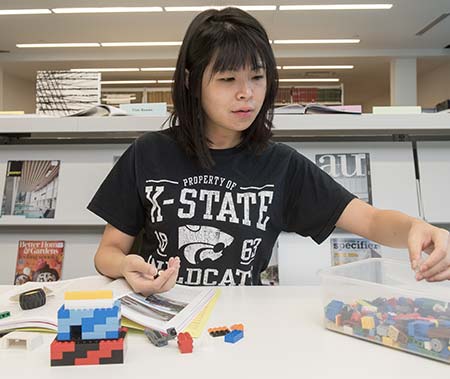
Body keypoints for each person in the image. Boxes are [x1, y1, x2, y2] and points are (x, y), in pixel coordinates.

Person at [87, 7, 450, 295]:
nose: (247, 93)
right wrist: (124, 267)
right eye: (228, 79)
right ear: (191, 82)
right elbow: (108, 252)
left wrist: (418, 228)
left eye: (257, 77)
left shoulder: (280, 165)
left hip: (241, 325)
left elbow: (369, 220)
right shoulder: (148, 153)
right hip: (157, 316)